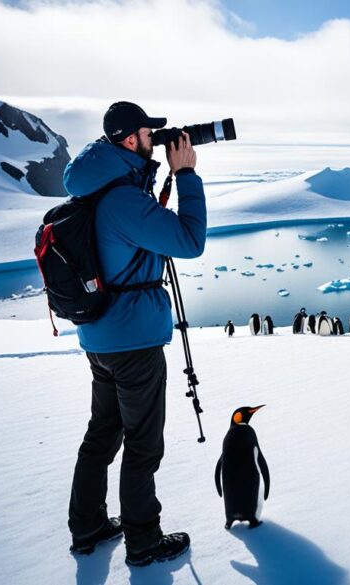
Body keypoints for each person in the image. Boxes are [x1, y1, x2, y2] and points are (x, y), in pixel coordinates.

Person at [63, 102, 206, 567]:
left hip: (101, 338)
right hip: (133, 343)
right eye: (150, 133)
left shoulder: (102, 185)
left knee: (102, 433)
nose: (157, 139)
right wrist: (184, 175)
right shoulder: (123, 200)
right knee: (143, 443)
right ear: (130, 140)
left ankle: (87, 527)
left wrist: (153, 173)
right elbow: (189, 242)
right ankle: (143, 542)